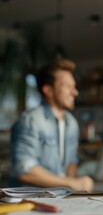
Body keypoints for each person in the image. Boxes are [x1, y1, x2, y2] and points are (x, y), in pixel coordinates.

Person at [9, 58, 94, 192]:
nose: (75, 92)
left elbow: (71, 164)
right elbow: (24, 169)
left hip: (59, 197)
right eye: (68, 86)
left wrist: (74, 187)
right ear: (48, 90)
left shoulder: (72, 123)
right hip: (29, 201)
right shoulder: (30, 120)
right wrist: (71, 183)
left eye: (74, 86)